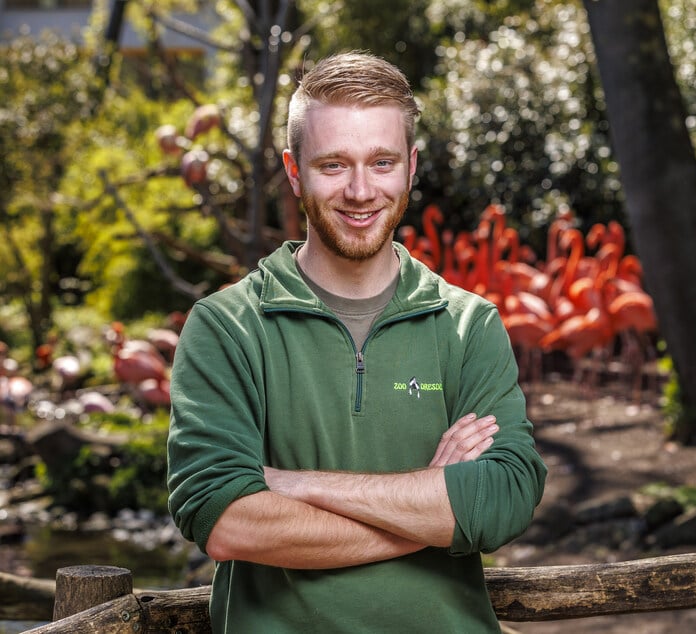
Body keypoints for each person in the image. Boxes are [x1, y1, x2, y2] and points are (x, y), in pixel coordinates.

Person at [166, 50, 547, 633]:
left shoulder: (470, 325)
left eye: (382, 162)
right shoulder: (227, 327)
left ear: (411, 167)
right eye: (334, 165)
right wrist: (432, 505)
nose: (362, 191)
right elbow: (227, 522)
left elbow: (502, 500)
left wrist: (289, 483)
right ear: (295, 172)